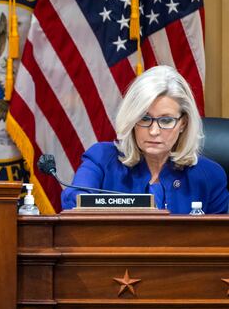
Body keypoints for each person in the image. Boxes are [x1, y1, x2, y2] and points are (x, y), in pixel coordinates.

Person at [61, 65, 229, 214]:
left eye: (166, 120)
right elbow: (74, 204)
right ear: (132, 119)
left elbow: (220, 239)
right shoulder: (101, 159)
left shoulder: (209, 176)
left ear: (183, 123)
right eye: (144, 118)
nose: (154, 131)